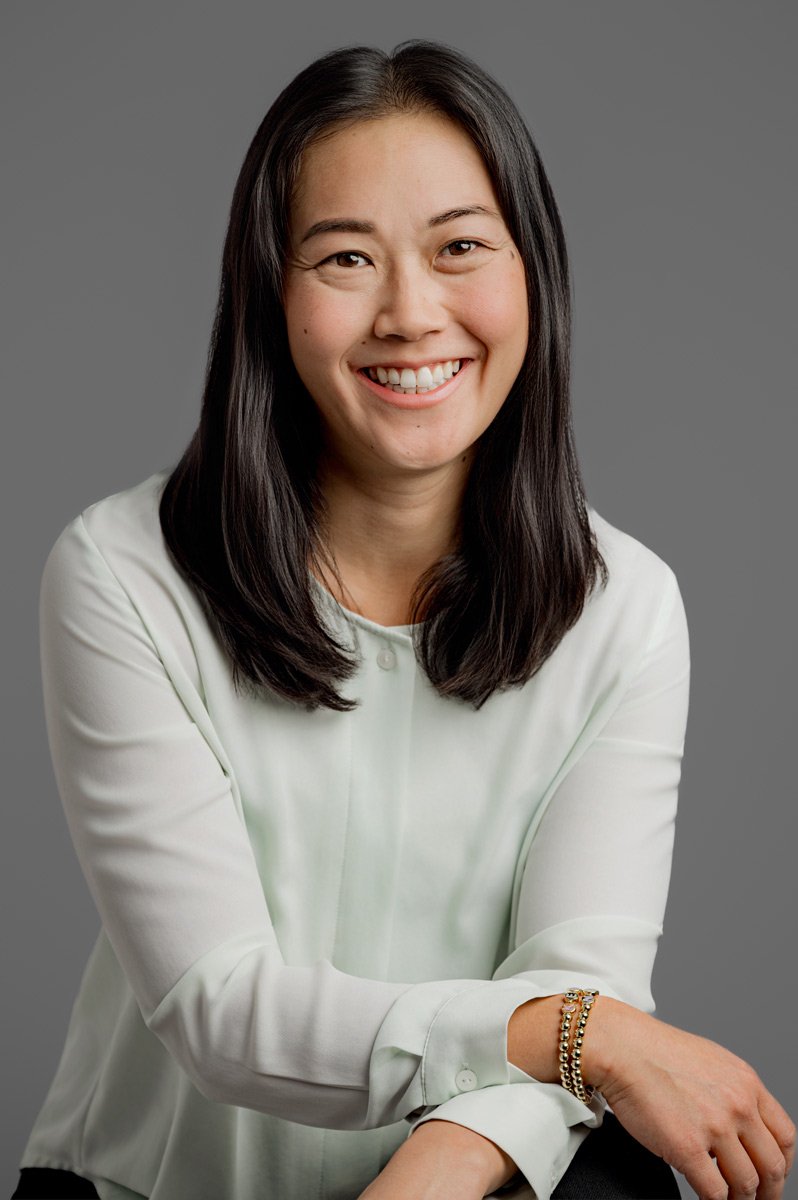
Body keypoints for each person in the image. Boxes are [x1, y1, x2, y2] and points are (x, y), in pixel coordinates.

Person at [11, 39, 794, 1200]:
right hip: (154, 1186)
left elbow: (583, 988)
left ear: (533, 274)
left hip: (445, 1181)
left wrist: (433, 1167)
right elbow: (223, 1012)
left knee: (608, 1172)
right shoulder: (124, 574)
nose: (411, 313)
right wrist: (589, 1035)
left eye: (461, 247)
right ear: (270, 295)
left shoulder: (624, 608)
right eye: (343, 259)